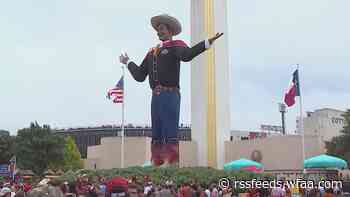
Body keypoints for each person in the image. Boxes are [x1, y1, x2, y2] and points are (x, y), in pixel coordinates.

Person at [119, 14, 223, 167]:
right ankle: (157, 162)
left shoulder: (176, 46)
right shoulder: (151, 52)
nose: (158, 32)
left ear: (171, 31)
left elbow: (187, 55)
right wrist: (128, 62)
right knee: (157, 129)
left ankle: (172, 162)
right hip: (156, 96)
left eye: (161, 29)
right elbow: (140, 75)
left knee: (170, 127)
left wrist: (207, 43)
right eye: (157, 29)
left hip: (170, 93)